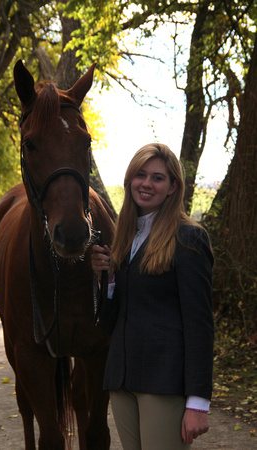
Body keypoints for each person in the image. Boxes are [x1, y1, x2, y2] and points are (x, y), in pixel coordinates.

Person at [91, 143, 214, 450]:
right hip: (121, 379)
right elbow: (110, 322)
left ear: (173, 186)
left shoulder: (189, 237)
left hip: (163, 381)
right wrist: (105, 279)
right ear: (130, 179)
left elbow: (200, 324)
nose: (146, 183)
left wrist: (198, 402)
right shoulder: (125, 236)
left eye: (158, 178)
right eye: (140, 174)